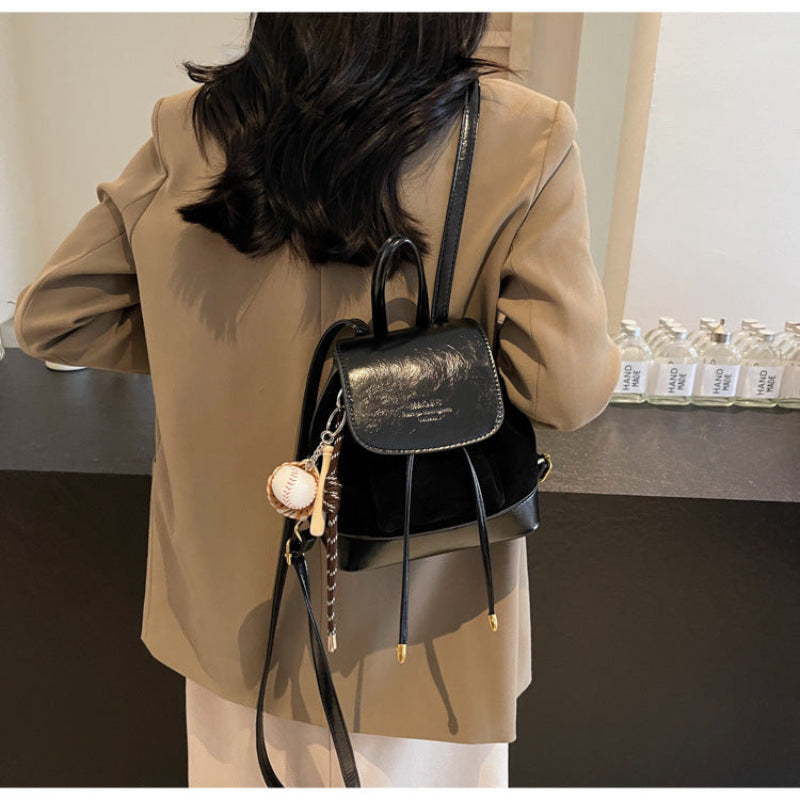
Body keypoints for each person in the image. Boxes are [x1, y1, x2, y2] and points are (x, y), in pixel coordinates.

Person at [14, 12, 621, 788]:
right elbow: (563, 389)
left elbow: (56, 317)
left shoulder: (193, 128)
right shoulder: (522, 134)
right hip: (421, 624)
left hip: (233, 626)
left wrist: (203, 354)